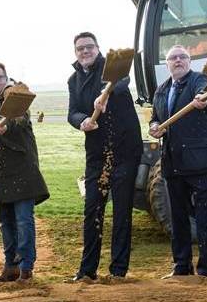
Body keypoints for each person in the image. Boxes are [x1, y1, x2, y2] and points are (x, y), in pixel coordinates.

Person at [66, 32, 143, 281]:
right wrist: (83, 121)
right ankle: (87, 271)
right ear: (76, 53)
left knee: (121, 210)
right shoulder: (73, 80)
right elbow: (73, 112)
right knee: (92, 210)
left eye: (89, 47)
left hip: (124, 150)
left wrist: (105, 92)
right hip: (97, 154)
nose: (85, 51)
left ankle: (118, 270)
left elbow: (121, 81)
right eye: (80, 49)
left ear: (98, 49)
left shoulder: (112, 67)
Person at [0, 61, 49, 284]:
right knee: (6, 221)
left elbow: (20, 119)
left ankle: (26, 269)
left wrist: (7, 126)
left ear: (5, 78)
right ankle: (10, 267)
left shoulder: (16, 98)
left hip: (22, 168)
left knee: (23, 220)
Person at [149, 45, 207, 278]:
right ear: (167, 63)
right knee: (178, 219)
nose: (178, 60)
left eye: (183, 57)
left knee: (206, 219)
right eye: (173, 58)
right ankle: (181, 267)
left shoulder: (197, 81)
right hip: (173, 163)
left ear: (189, 62)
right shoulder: (161, 90)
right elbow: (156, 118)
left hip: (202, 162)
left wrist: (205, 97)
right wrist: (153, 127)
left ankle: (205, 271)